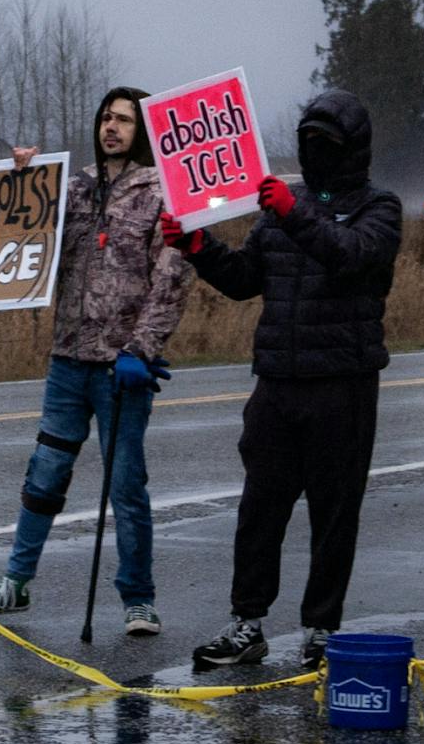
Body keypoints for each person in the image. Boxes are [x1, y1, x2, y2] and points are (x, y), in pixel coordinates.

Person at [159, 88, 402, 671]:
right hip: (276, 381)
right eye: (308, 140)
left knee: (333, 512)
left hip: (343, 382)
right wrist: (199, 247)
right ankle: (248, 622)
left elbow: (350, 255)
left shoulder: (380, 208)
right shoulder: (279, 206)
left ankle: (321, 629)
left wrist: (296, 215)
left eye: (327, 142)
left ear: (353, 149)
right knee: (260, 508)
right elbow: (246, 280)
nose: (316, 149)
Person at [0, 86, 192, 637]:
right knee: (45, 473)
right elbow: (18, 234)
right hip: (69, 358)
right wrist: (22, 177)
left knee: (125, 483)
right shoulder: (71, 188)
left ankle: (138, 598)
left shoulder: (159, 194)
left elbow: (171, 278)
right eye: (105, 118)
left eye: (123, 119)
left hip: (124, 367)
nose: (111, 127)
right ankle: (16, 582)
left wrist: (142, 350)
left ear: (142, 130)